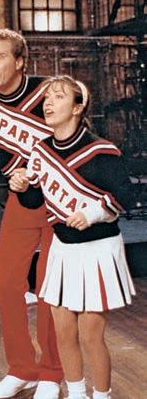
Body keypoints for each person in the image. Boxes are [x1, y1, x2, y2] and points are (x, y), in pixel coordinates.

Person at [9, 75, 136, 399]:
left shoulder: (101, 150)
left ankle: (102, 396)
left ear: (78, 107)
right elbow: (35, 201)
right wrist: (22, 187)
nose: (48, 103)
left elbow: (126, 196)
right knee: (63, 334)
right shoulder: (40, 150)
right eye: (47, 98)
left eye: (59, 97)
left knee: (90, 336)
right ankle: (77, 394)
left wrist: (92, 213)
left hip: (98, 250)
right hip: (63, 250)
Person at [0, 28, 64, 398]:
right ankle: (22, 368)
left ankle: (52, 372)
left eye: (0, 57)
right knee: (6, 286)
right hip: (21, 202)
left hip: (59, 203)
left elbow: (75, 140)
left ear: (20, 62)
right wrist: (9, 174)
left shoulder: (49, 92)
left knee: (49, 288)